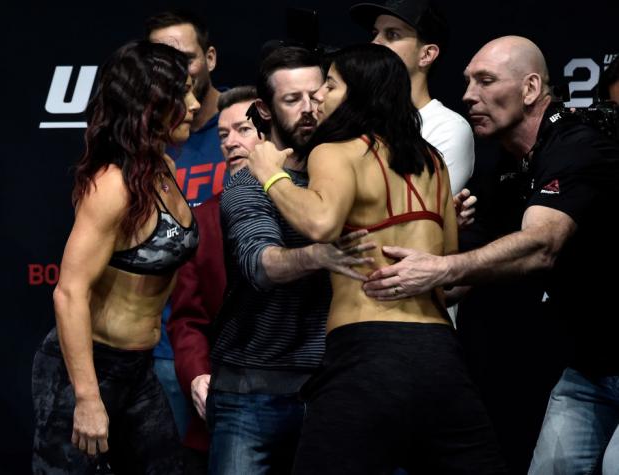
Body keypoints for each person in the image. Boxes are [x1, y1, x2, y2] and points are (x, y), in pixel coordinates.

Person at [363, 36, 619, 475]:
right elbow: (470, 269)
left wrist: (440, 267)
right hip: (590, 363)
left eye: (485, 81)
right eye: (466, 82)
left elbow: (542, 245)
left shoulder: (579, 142)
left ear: (531, 88)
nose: (467, 95)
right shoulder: (508, 167)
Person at [246, 43, 506, 475]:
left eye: (329, 85)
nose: (319, 98)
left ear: (356, 93)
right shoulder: (433, 161)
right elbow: (448, 265)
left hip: (366, 352)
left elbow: (321, 223)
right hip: (439, 352)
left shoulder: (336, 151)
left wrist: (268, 173)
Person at [31, 40, 200, 474]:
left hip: (138, 368)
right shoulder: (113, 186)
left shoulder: (164, 169)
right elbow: (69, 293)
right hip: (89, 369)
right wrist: (86, 399)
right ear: (151, 106)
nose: (196, 104)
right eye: (183, 95)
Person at [208, 46, 376, 475]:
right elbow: (260, 265)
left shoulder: (350, 170)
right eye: (291, 100)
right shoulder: (247, 182)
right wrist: (322, 253)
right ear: (264, 110)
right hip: (252, 390)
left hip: (331, 387)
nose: (309, 109)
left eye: (316, 95)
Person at [167, 86, 265, 474]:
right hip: (230, 403)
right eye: (223, 135)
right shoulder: (203, 219)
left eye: (243, 129)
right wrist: (197, 374)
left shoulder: (316, 207)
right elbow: (187, 318)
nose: (231, 143)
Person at [145, 9, 226, 440]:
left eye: (186, 58)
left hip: (241, 345)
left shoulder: (245, 123)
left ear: (210, 57)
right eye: (162, 59)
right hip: (160, 346)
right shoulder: (143, 144)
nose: (179, 73)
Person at [350, 0, 474, 194]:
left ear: (427, 55)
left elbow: (420, 215)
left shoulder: (448, 128)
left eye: (392, 34)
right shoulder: (357, 116)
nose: (375, 43)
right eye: (375, 33)